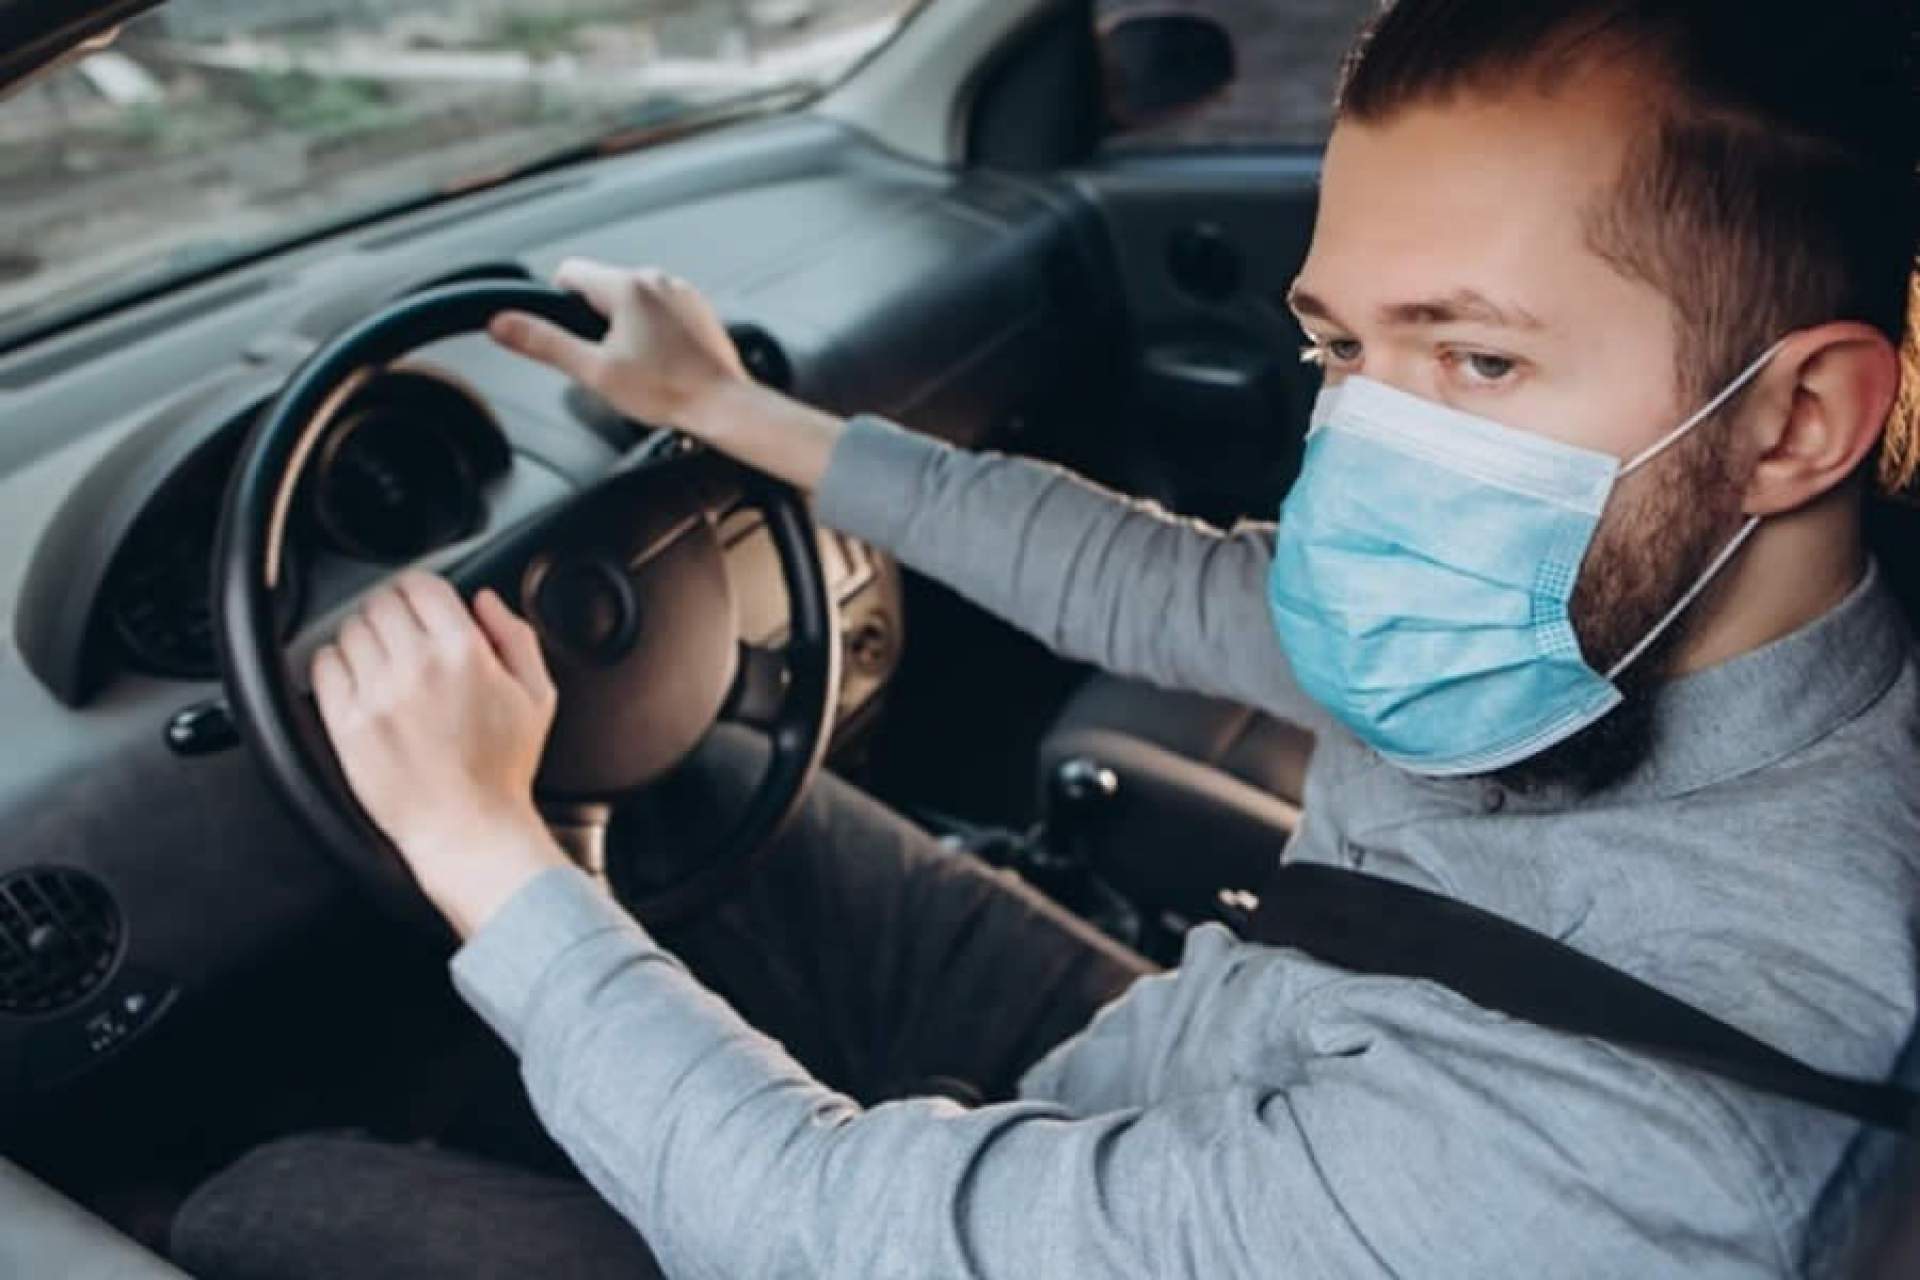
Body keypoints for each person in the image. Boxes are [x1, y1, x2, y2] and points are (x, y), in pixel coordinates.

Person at [173, 1, 1920, 1276]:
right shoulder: (1606, 619)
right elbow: (1159, 583)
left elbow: (810, 1228)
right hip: (1180, 1049)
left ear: (1797, 422)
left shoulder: (1637, 1154)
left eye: (1476, 359)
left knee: (263, 1206)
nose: (1367, 446)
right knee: (691, 782)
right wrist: (733, 411)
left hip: (1023, 1216)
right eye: (1339, 350)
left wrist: (480, 846)